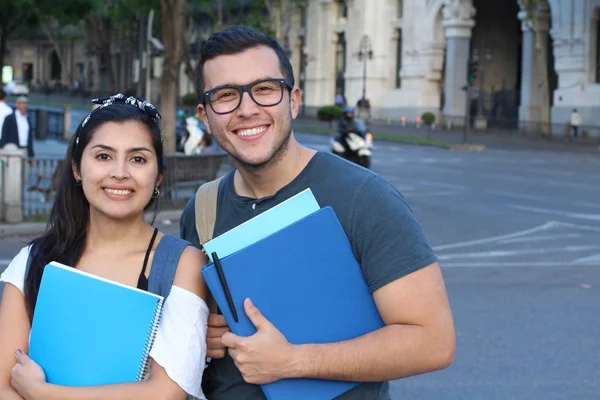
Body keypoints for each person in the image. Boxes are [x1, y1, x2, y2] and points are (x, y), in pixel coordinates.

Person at [180, 26, 455, 399]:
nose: (247, 109)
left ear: (293, 100)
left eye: (264, 89)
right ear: (206, 116)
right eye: (226, 96)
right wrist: (210, 338)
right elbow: (208, 332)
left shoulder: (363, 198)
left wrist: (294, 361)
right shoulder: (202, 210)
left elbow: (432, 341)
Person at [0, 94, 209, 400]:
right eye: (103, 156)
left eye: (138, 159)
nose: (120, 173)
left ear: (158, 175)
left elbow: (167, 392)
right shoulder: (33, 261)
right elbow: (5, 383)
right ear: (76, 168)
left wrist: (44, 394)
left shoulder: (182, 264)